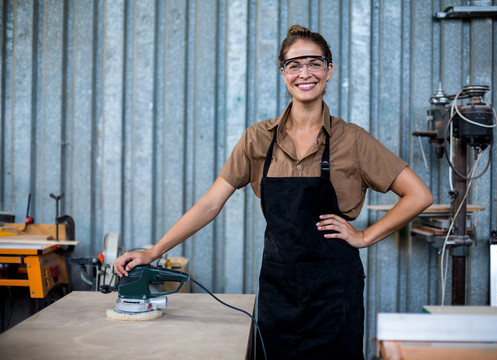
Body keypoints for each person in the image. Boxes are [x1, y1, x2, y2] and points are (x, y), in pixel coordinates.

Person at [114, 25, 433, 359]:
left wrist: (365, 236)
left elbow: (418, 194)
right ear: (283, 74)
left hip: (334, 295)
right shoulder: (258, 139)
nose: (305, 73)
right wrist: (153, 252)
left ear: (329, 70)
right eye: (294, 65)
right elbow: (209, 204)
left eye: (315, 63)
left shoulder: (352, 140)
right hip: (278, 293)